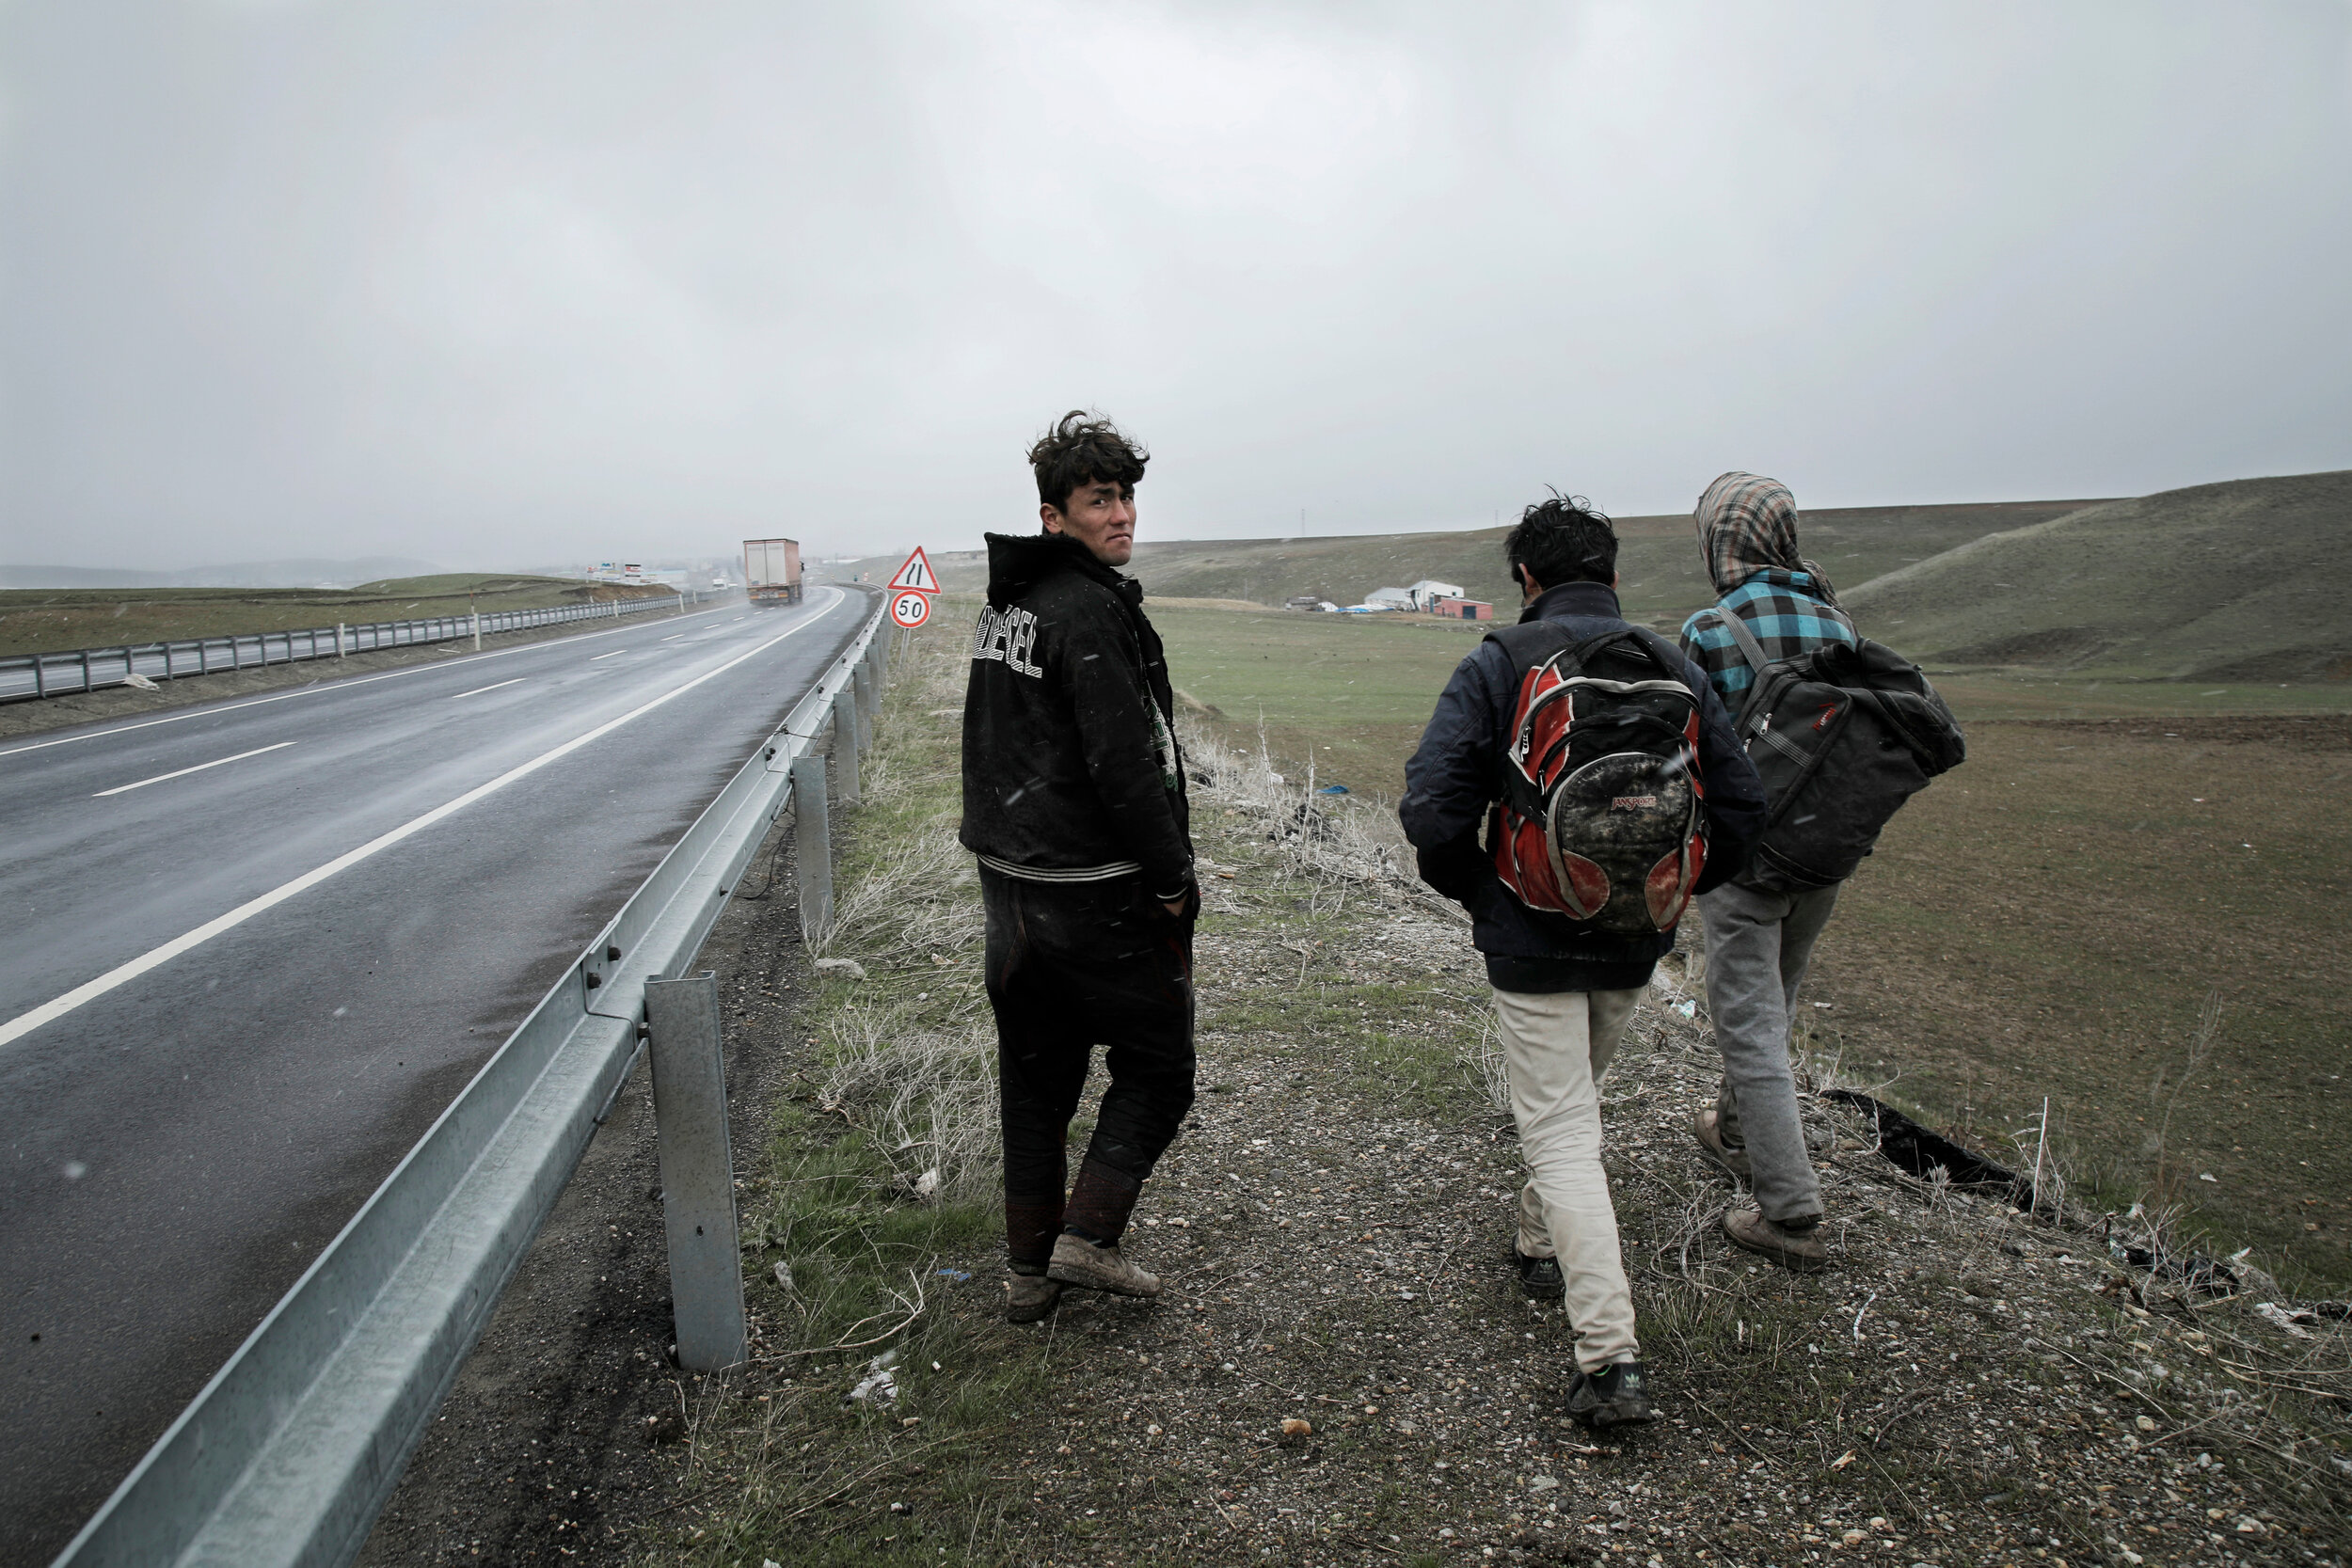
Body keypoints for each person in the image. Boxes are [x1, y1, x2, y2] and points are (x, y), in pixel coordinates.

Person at [1402, 495, 1766, 1427]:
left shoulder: (1499, 662)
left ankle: (1609, 1360)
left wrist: (1484, 893)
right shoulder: (1673, 666)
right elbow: (1744, 812)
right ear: (1611, 573)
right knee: (1572, 1109)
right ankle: (1534, 1239)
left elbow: (1433, 808)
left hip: (1527, 933)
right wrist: (1662, 895)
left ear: (1524, 578)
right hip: (1632, 938)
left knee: (1563, 1130)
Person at [960, 410, 1198, 1323]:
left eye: (1127, 495)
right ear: (1052, 515)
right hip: (1092, 894)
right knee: (1159, 1064)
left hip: (1010, 892)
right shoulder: (1088, 608)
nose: (1122, 515)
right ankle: (1087, 1237)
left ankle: (1026, 1275)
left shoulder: (1007, 607)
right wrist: (1172, 878)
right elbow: (1126, 763)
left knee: (1035, 1080)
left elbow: (988, 742)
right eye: (1100, 500)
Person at [1676, 471, 1859, 1273]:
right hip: (1824, 851)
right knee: (1772, 1000)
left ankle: (1791, 1210)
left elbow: (1679, 753)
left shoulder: (1710, 628)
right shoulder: (1836, 619)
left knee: (1746, 1019)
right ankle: (1738, 1132)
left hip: (1744, 857)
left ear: (1721, 540)